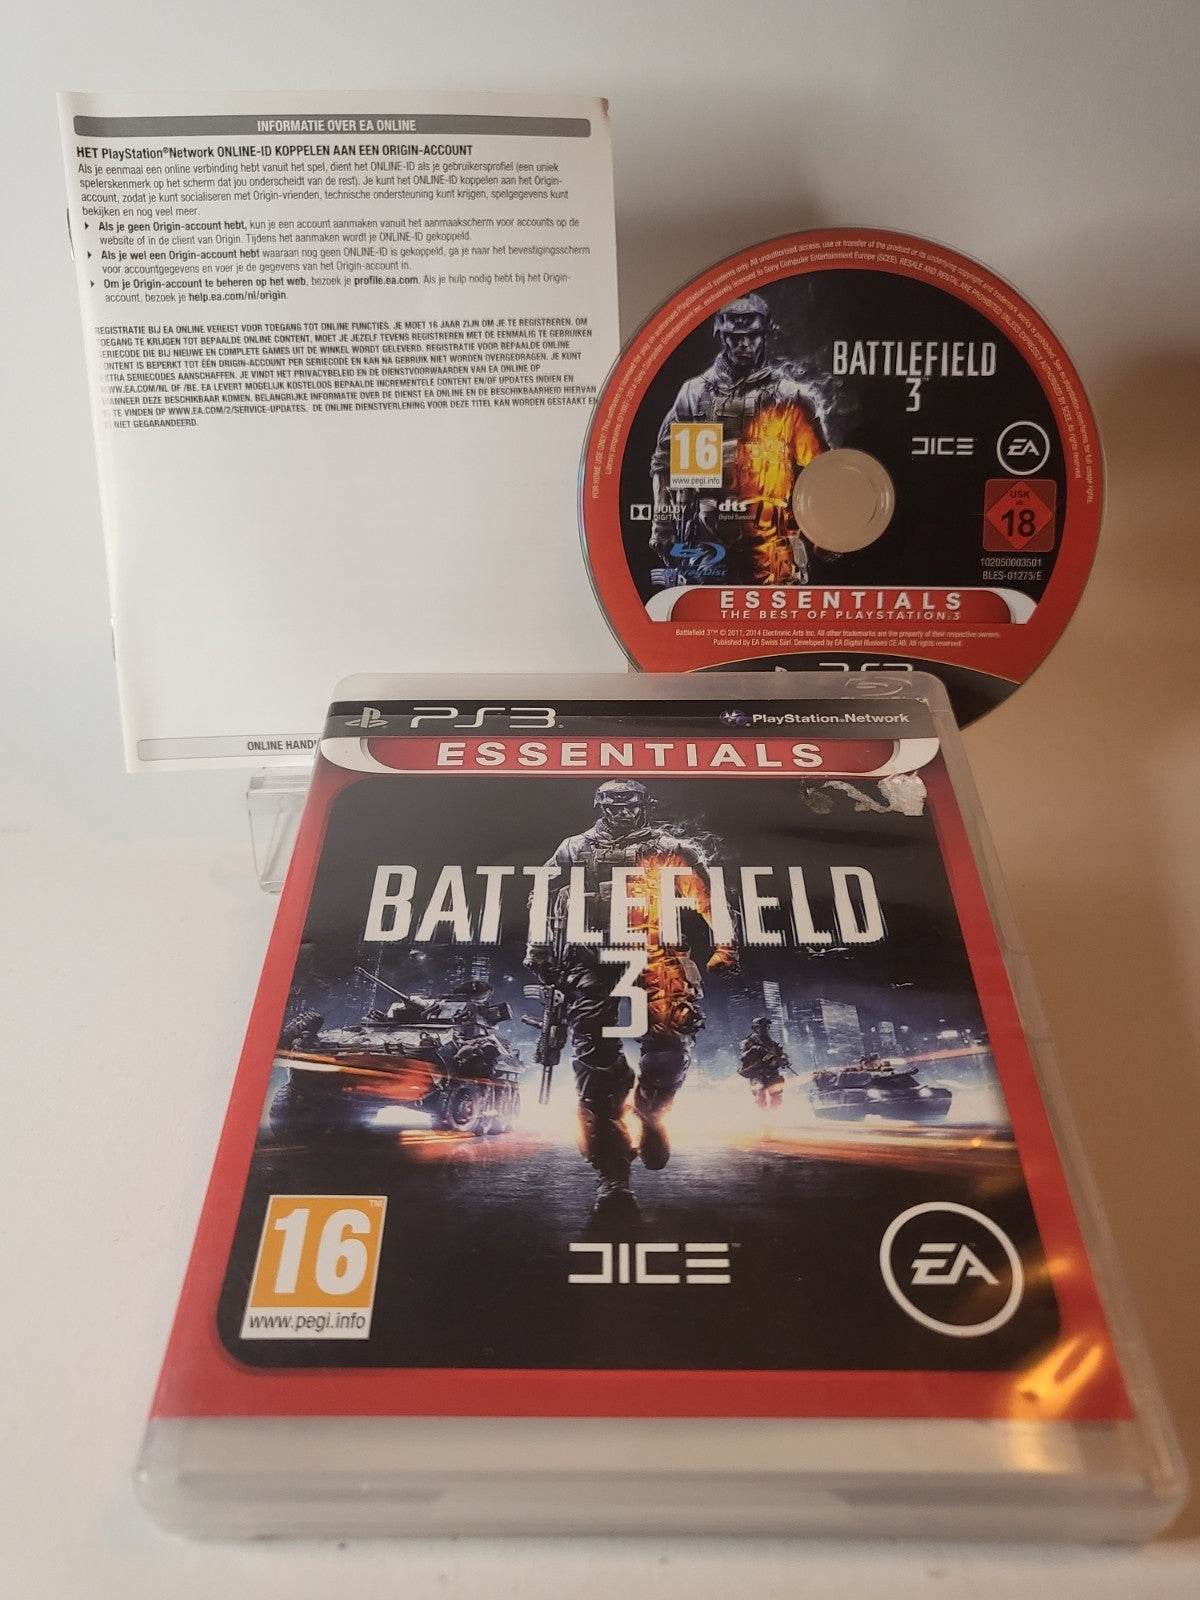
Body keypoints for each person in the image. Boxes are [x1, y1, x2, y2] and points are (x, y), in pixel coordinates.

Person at [526, 779, 737, 1222]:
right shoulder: (573, 848)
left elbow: (707, 896)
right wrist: (538, 946)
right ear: (599, 805)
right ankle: (613, 1175)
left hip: (656, 952)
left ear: (644, 806)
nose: (621, 812)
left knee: (669, 1052)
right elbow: (541, 893)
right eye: (612, 804)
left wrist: (725, 945)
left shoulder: (668, 847)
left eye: (629, 804)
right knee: (595, 1066)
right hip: (590, 957)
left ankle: (651, 1115)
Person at [649, 293, 827, 585]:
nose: (744, 344)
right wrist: (662, 524)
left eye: (752, 336)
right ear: (722, 336)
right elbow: (665, 463)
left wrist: (825, 532)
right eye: (734, 337)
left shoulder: (790, 397)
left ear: (764, 335)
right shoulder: (696, 394)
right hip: (707, 542)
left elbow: (818, 471)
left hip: (772, 541)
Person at [737, 1015, 791, 1110]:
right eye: (762, 1027)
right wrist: (753, 1050)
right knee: (760, 1098)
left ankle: (774, 1115)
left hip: (771, 1072)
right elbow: (742, 1057)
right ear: (755, 1028)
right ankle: (763, 1116)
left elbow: (781, 1055)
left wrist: (783, 1059)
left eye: (766, 1027)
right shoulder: (748, 1042)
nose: (765, 1029)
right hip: (756, 1073)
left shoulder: (772, 1043)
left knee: (776, 1098)